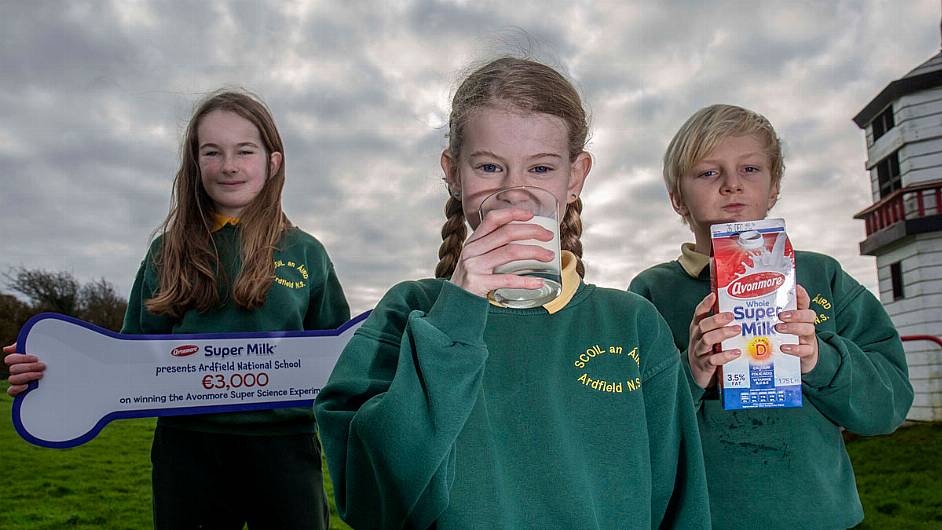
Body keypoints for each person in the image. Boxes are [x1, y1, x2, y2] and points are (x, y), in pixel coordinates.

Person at [313, 57, 710, 529]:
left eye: (541, 168)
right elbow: (375, 501)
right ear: (453, 172)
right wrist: (455, 318)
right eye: (488, 166)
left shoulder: (633, 322)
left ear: (576, 176)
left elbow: (680, 503)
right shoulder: (408, 312)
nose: (515, 193)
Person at [4, 90, 350, 529]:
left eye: (245, 150)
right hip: (187, 447)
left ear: (273, 162)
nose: (229, 165)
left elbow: (339, 358)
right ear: (195, 162)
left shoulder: (306, 252)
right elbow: (128, 356)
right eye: (212, 151)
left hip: (284, 444)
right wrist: (52, 367)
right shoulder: (165, 251)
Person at [628, 103, 913, 529]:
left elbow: (888, 407)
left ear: (774, 186)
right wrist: (692, 370)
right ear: (677, 198)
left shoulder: (823, 277)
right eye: (708, 172)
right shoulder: (650, 294)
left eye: (750, 169)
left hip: (821, 517)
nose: (731, 186)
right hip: (705, 519)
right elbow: (634, 428)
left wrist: (819, 359)